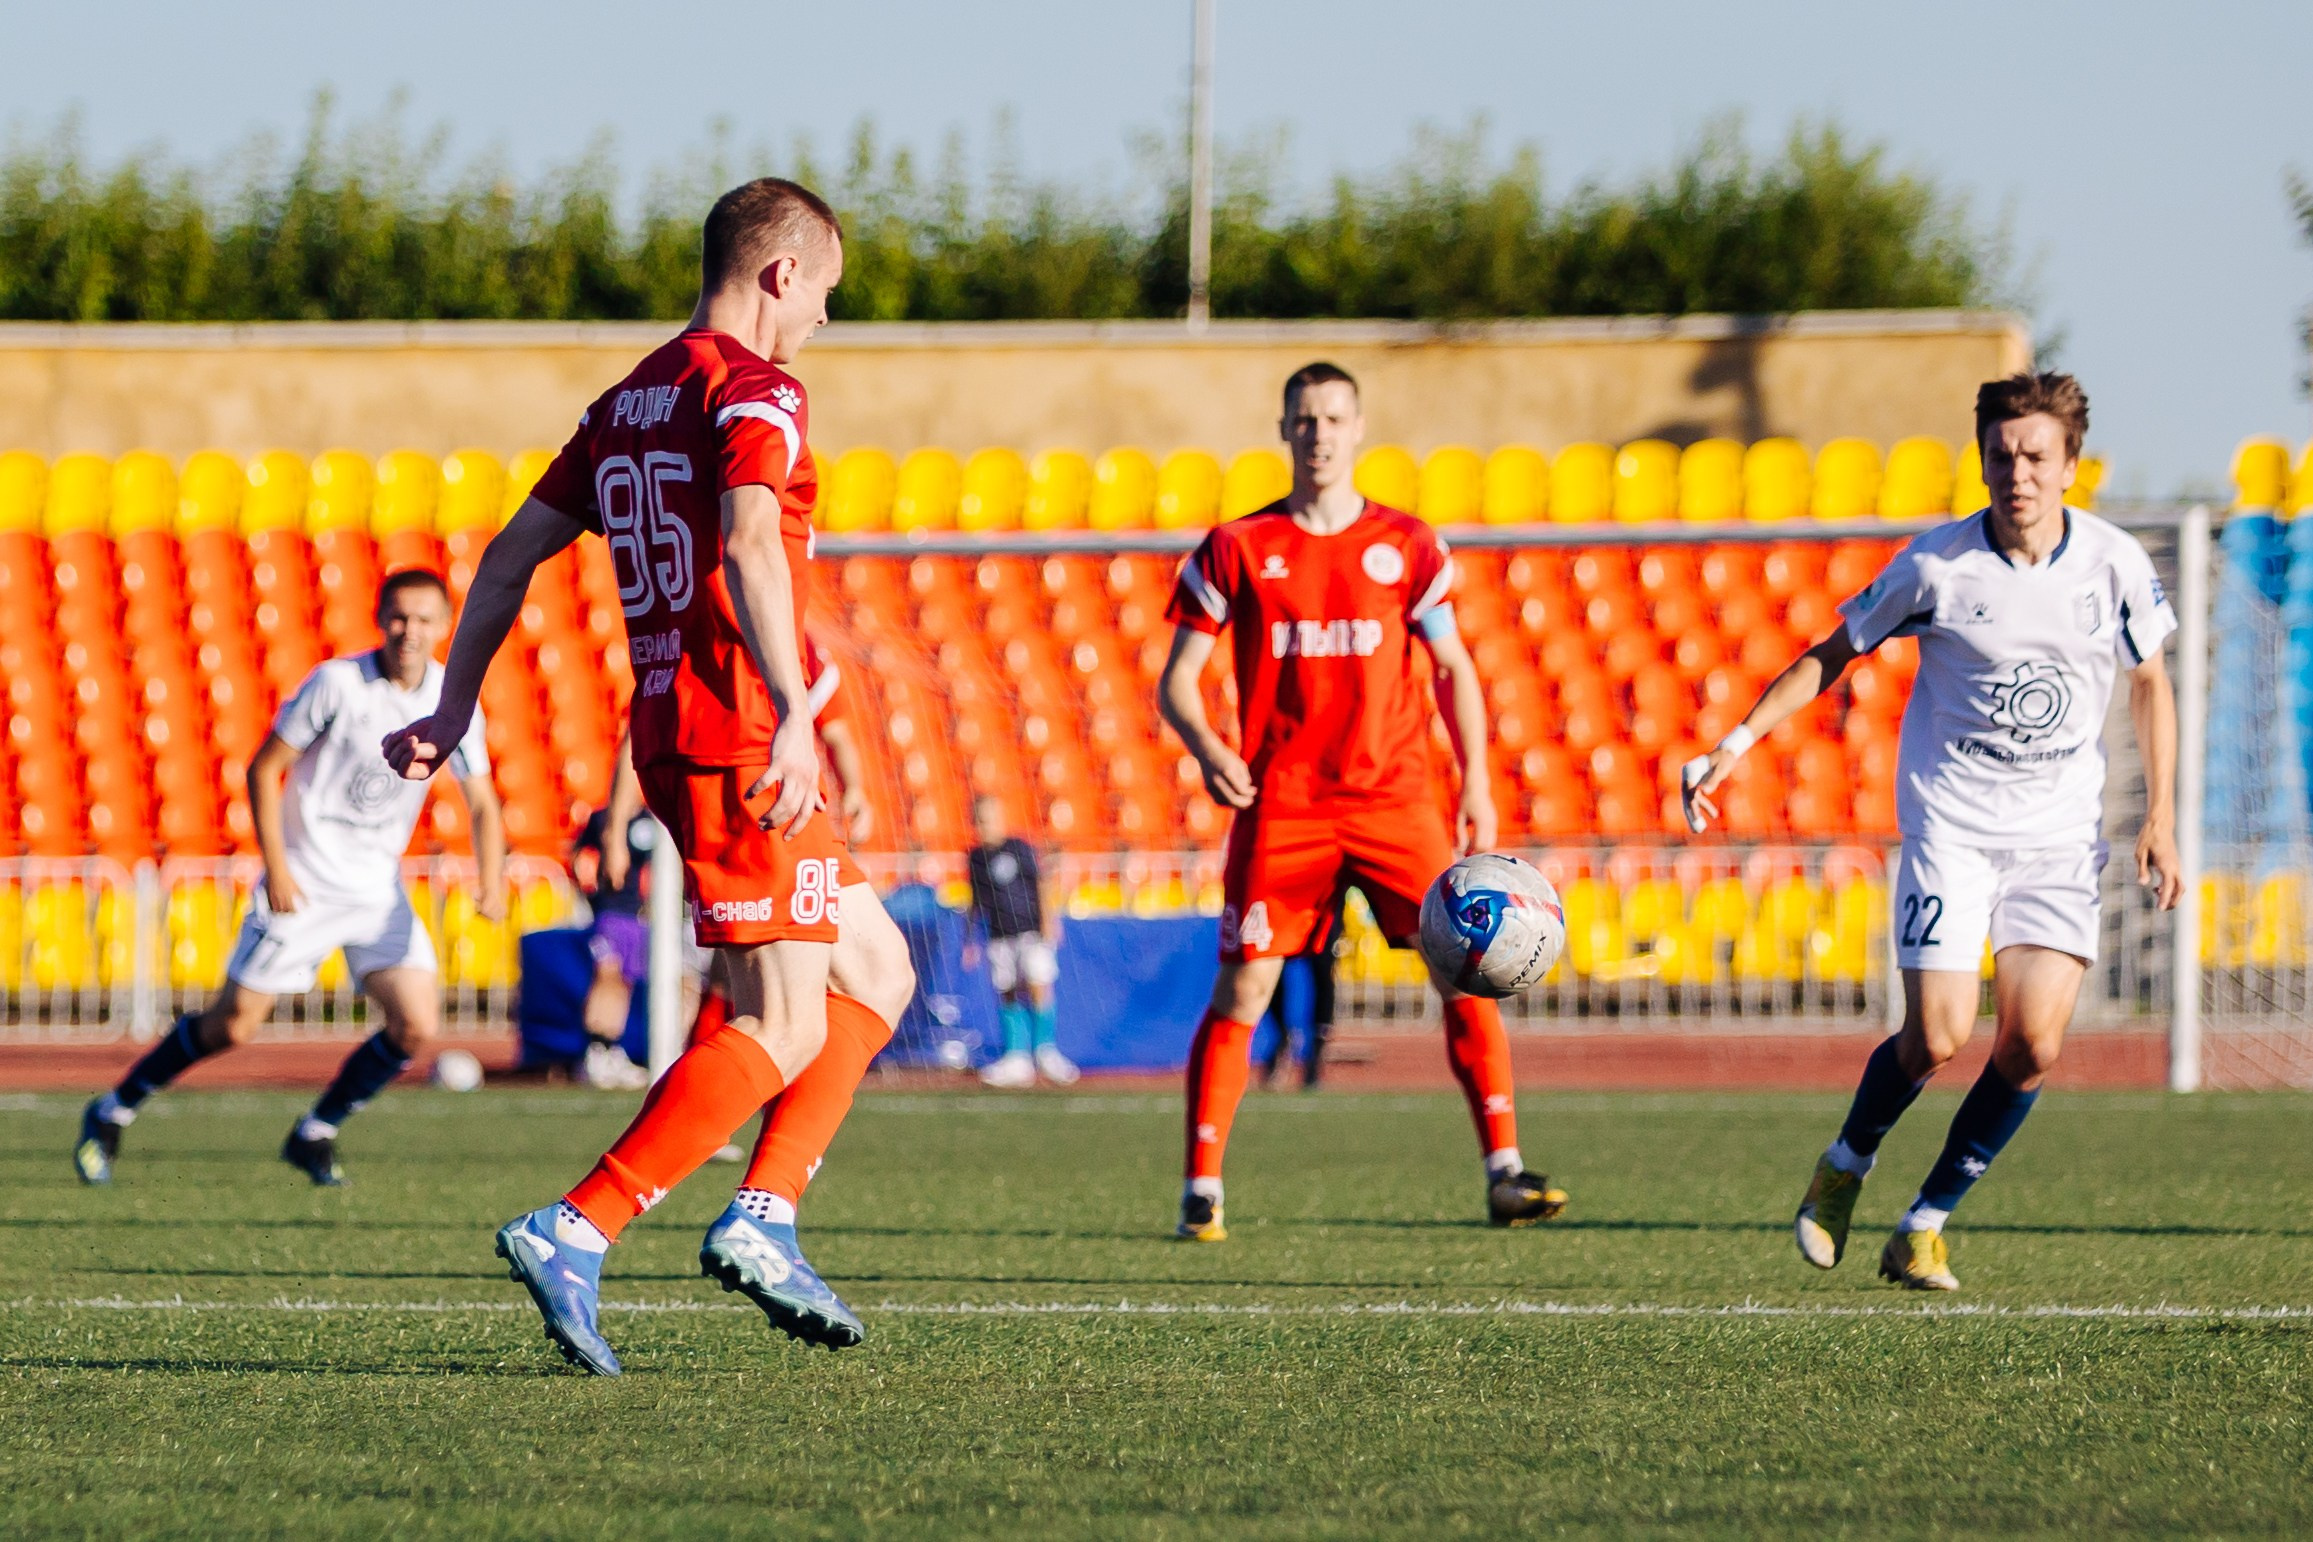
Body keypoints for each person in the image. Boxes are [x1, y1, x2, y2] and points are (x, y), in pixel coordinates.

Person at [383, 177, 915, 1376]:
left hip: (676, 723)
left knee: (877, 966)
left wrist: (453, 705)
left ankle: (767, 1215)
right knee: (781, 1021)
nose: (825, 319)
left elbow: (512, 556)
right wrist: (793, 715)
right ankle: (580, 1224)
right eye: (825, 292)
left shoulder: (627, 400)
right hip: (734, 734)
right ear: (781, 274)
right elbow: (745, 541)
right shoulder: (758, 388)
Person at [1683, 371, 2181, 1291]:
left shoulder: (2111, 564)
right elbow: (1829, 655)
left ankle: (1923, 1223)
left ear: (2071, 465)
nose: (2017, 472)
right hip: (1952, 829)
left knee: (2031, 1044)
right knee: (1939, 1035)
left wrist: (2160, 817)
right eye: (2001, 455)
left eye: (2036, 455)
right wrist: (1735, 742)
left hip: (2057, 839)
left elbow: (2149, 682)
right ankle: (1844, 1165)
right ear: (1981, 460)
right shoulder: (1937, 566)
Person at [1156, 361, 1568, 1242]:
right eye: (1304, 420)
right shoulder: (1236, 547)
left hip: (1396, 800)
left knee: (1469, 970)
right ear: (1283, 430)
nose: (1319, 435)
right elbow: (1177, 681)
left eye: (1334, 418)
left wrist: (1479, 786)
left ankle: (1503, 1170)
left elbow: (1454, 665)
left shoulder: (1409, 545)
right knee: (1244, 989)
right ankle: (1201, 1186)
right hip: (1286, 805)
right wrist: (1207, 745)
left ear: (1357, 428)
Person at [75, 570, 507, 1187]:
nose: (409, 631)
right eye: (398, 617)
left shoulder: (452, 697)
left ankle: (316, 1132)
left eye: (423, 619)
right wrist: (277, 866)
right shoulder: (336, 683)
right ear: (381, 618)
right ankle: (113, 1108)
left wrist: (491, 881)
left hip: (374, 890)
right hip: (303, 880)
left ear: (444, 627)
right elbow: (264, 768)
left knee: (416, 1025)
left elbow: (485, 801)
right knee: (235, 1024)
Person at [965, 794, 1076, 1087]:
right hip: (999, 935)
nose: (983, 826)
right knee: (1008, 990)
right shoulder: (975, 857)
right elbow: (975, 899)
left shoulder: (1019, 849)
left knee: (1039, 986)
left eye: (987, 819)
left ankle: (1045, 1052)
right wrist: (969, 938)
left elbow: (1040, 883)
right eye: (978, 820)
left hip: (1030, 931)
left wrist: (1048, 921)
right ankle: (1017, 1057)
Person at [569, 801, 655, 1089]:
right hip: (609, 911)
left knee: (626, 982)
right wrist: (590, 892)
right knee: (607, 977)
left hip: (637, 915)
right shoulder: (601, 818)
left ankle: (612, 1048)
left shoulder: (649, 819)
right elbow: (579, 856)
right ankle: (595, 1049)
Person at [1256, 893, 1342, 1091]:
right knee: (1271, 965)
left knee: (1323, 970)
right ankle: (1282, 1036)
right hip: (1287, 896)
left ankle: (1316, 1050)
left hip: (1326, 897)